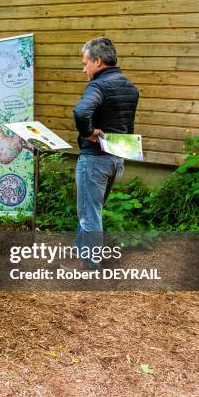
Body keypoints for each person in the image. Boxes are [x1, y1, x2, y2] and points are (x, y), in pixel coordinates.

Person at [71, 37, 139, 269]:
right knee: (92, 210)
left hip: (94, 161)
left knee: (89, 214)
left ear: (97, 61)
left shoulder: (99, 86)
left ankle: (89, 262)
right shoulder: (130, 87)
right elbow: (128, 127)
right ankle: (79, 255)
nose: (84, 69)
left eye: (86, 63)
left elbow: (81, 112)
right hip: (115, 161)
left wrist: (89, 133)